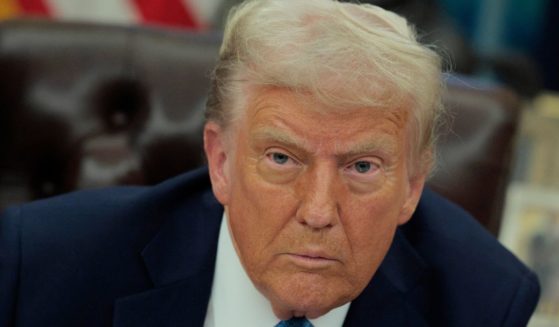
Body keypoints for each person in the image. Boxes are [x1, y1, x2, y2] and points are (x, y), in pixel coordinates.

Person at [0, 0, 540, 326]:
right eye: (282, 158)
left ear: (412, 186)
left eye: (362, 167)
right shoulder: (45, 267)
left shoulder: (482, 304)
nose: (318, 210)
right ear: (221, 161)